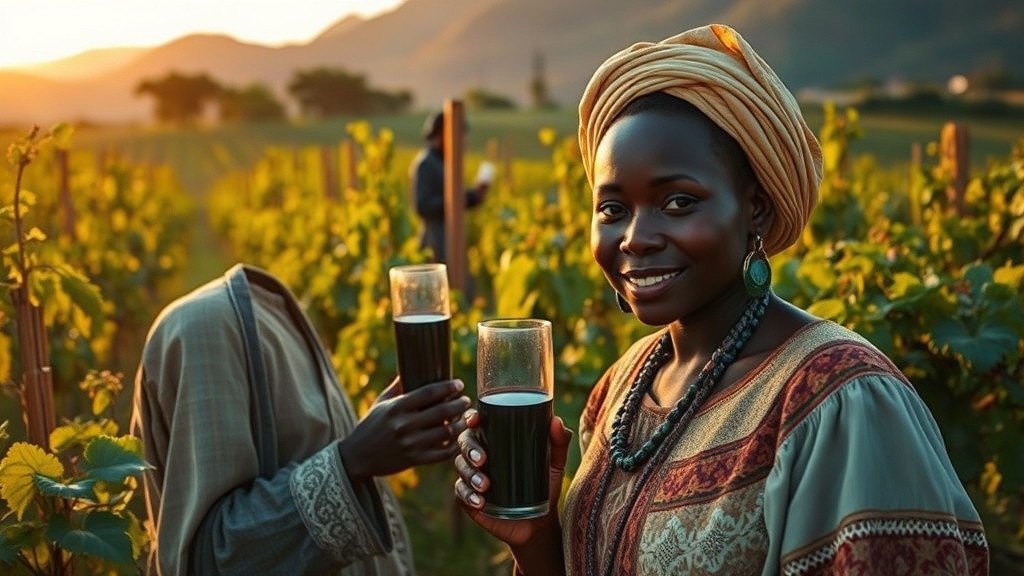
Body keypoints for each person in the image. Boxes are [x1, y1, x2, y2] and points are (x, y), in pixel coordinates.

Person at [453, 24, 989, 575]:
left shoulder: (840, 399)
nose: (636, 237)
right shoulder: (619, 389)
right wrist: (536, 538)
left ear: (756, 209)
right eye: (612, 209)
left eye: (678, 202)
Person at [131, 263, 470, 575]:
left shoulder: (274, 314)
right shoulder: (204, 334)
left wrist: (367, 446)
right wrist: (353, 459)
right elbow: (213, 560)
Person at [410, 110, 489, 263]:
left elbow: (452, 197)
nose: (463, 143)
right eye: (458, 137)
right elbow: (422, 205)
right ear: (442, 134)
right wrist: (456, 201)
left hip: (449, 241)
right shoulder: (425, 164)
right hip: (435, 244)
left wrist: (473, 197)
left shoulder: (443, 162)